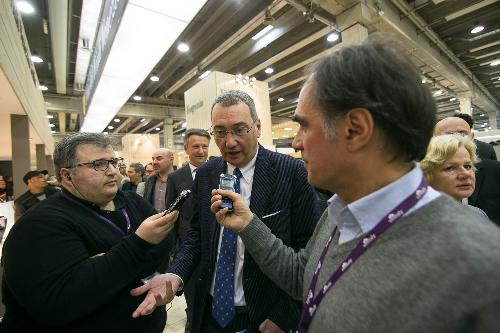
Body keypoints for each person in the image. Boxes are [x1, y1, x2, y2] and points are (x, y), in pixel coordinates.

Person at [208, 36, 500, 332]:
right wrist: (248, 224)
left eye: (305, 125)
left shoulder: (478, 267)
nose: (296, 142)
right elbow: (302, 279)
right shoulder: (339, 214)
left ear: (356, 129)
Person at [131, 90, 319, 333]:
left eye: (240, 129)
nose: (229, 142)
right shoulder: (207, 173)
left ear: (258, 127)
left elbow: (309, 251)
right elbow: (197, 234)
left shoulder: (291, 172)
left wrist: (285, 315)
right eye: (220, 132)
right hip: (208, 310)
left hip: (263, 316)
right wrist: (174, 275)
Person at [1, 133, 178, 333]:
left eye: (113, 162)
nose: (113, 172)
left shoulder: (132, 201)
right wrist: (139, 244)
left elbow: (165, 242)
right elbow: (60, 303)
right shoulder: (39, 224)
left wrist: (103, 263)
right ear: (67, 176)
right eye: (99, 164)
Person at [165, 128, 210, 330]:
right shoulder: (176, 177)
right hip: (188, 247)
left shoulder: (220, 170)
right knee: (192, 296)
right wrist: (175, 249)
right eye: (196, 146)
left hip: (214, 244)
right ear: (186, 149)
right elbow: (172, 214)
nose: (201, 151)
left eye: (204, 146)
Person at [434, 116, 500, 225]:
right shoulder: (425, 177)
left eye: (463, 134)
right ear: (434, 139)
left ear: (472, 137)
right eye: (448, 135)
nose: (457, 139)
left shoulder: (496, 171)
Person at [420, 134, 487, 217]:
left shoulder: (477, 214)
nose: (466, 174)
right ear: (425, 175)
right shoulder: (412, 222)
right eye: (450, 168)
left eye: (468, 166)